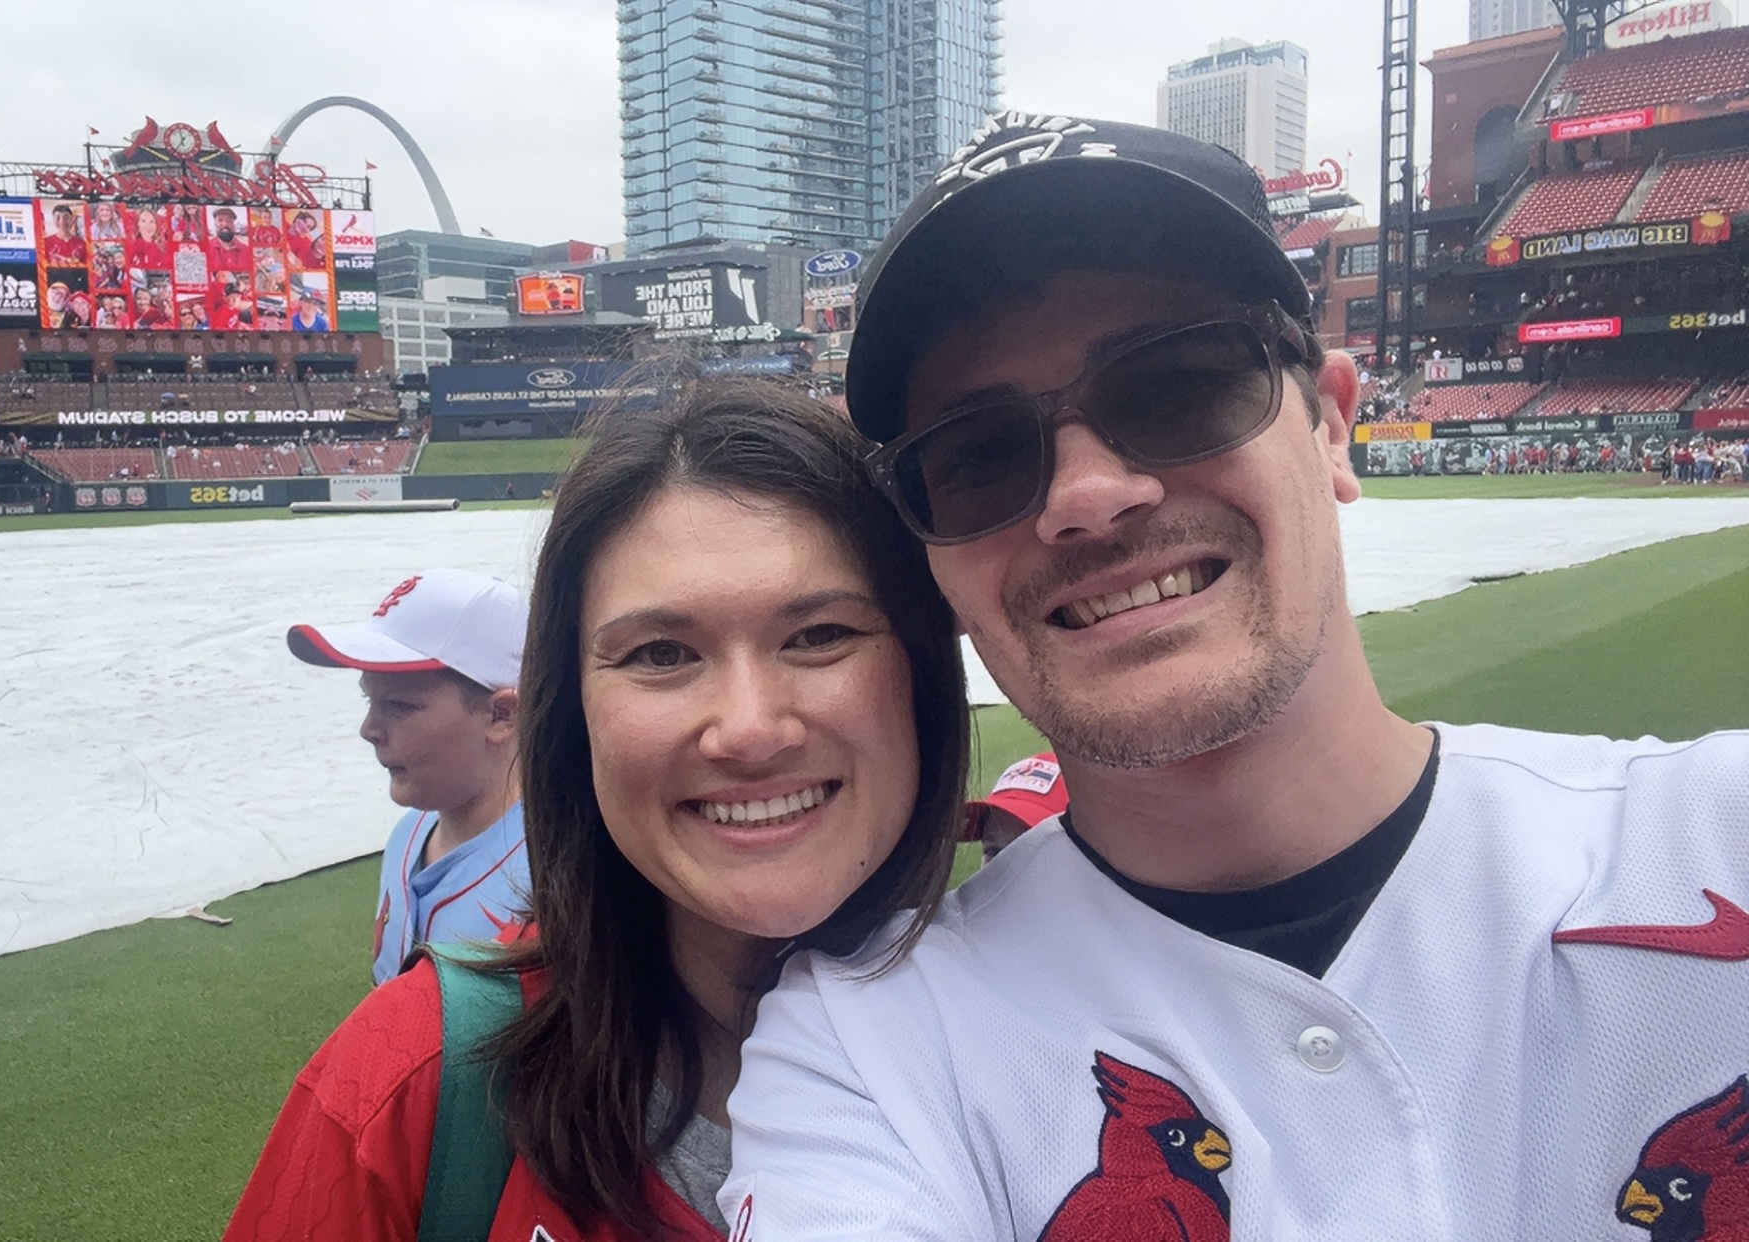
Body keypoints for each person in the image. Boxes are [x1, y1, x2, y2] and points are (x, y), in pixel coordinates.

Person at [720, 114, 1749, 1238]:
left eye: (1177, 387)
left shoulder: (1716, 835)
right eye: (977, 457)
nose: (1087, 494)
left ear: (1334, 427)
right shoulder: (866, 1050)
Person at [225, 382, 969, 1240]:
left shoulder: (1084, 1046)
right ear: (569, 712)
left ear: (922, 676)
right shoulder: (404, 1083)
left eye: (820, 635)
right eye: (661, 653)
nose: (751, 730)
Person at [286, 568, 532, 986]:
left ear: (500, 715)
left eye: (398, 705)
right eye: (370, 698)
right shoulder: (410, 833)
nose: (369, 729)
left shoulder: (560, 879)